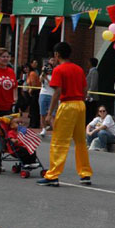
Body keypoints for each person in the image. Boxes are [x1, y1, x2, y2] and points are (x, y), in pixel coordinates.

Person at [38, 42, 92, 187]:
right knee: (80, 140)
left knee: (59, 140)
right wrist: (81, 101)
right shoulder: (78, 69)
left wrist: (49, 113)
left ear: (57, 54)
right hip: (80, 104)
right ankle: (85, 173)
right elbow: (85, 88)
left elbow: (57, 92)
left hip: (67, 104)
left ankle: (53, 175)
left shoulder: (58, 70)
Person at [38, 59, 56, 136]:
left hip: (51, 95)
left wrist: (47, 78)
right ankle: (43, 129)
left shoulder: (54, 76)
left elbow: (53, 85)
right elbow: (40, 80)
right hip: (43, 94)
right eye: (47, 68)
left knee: (52, 114)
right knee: (42, 113)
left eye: (50, 68)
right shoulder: (43, 75)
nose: (48, 69)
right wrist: (43, 73)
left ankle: (55, 130)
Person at [85, 58, 99, 124]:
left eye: (88, 62)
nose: (87, 64)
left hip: (92, 98)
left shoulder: (94, 72)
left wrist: (89, 94)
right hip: (88, 97)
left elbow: (93, 84)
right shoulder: (90, 71)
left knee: (90, 113)